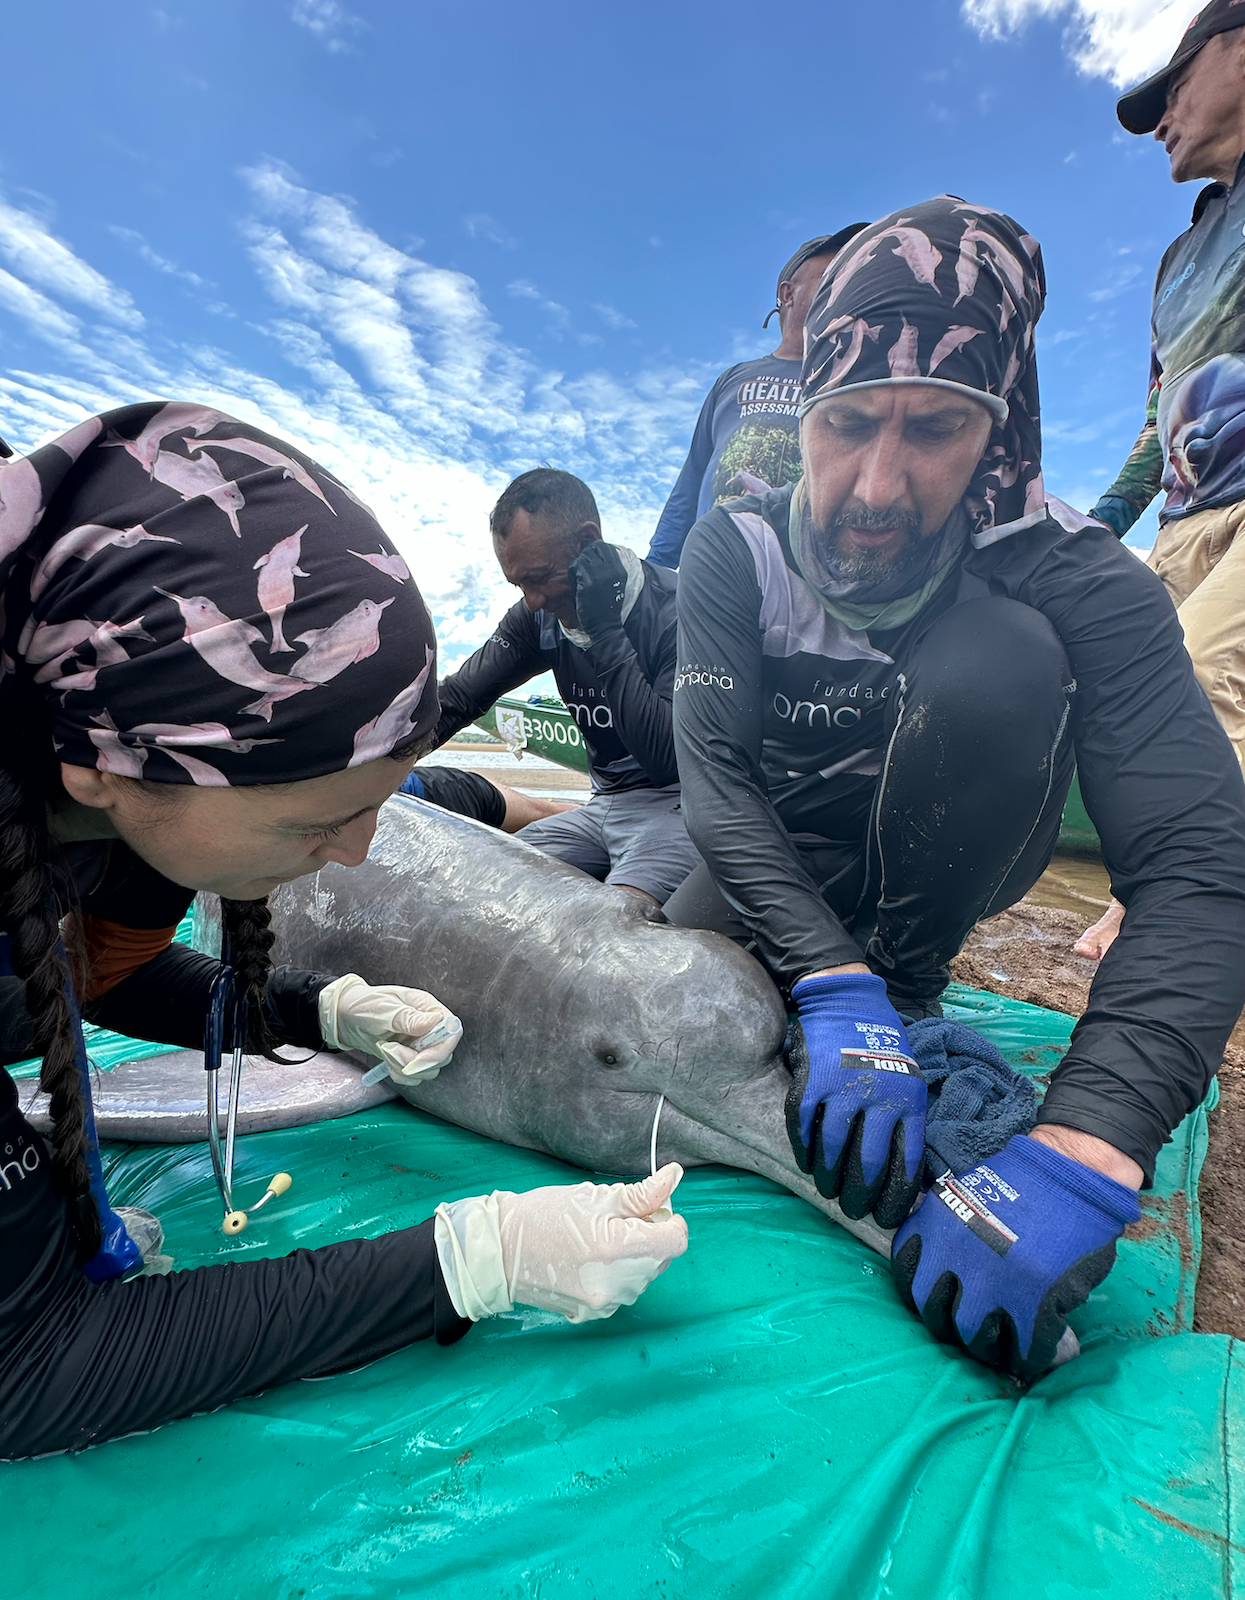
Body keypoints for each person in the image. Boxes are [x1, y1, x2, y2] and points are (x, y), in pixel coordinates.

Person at [0, 403, 688, 1458]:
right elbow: (29, 1370)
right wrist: (468, 1261)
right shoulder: (131, 770)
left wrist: (319, 1009)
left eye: (369, 806)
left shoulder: (122, 796)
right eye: (313, 822)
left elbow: (105, 977)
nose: (359, 853)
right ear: (104, 767)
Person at [666, 196, 1245, 1378]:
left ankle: (910, 986)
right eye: (847, 424)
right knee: (676, 994)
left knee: (1004, 654)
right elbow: (712, 775)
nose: (876, 486)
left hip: (942, 856)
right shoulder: (741, 547)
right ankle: (857, 988)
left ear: (1001, 428)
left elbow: (1200, 862)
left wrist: (1090, 1142)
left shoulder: (1081, 575)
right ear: (806, 410)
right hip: (774, 856)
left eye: (934, 428)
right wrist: (826, 978)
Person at [1075, 0, 1245, 961]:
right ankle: (1146, 890)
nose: (1161, 121)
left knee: (1201, 674)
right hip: (1184, 518)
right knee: (1138, 703)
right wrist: (1104, 520)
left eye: (1174, 88)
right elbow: (1158, 411)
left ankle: (1168, 917)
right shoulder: (1178, 260)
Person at [433, 468, 699, 910]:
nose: (533, 600)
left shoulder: (680, 608)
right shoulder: (537, 617)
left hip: (681, 804)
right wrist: (362, 765)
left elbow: (666, 759)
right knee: (478, 888)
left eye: (540, 576)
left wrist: (605, 631)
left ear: (588, 541)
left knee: (607, 922)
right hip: (603, 804)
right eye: (519, 584)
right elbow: (458, 699)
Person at [646, 225, 867, 570]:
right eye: (830, 277)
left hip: (808, 576)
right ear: (788, 294)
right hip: (714, 571)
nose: (842, 289)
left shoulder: (853, 380)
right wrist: (655, 570)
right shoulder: (733, 379)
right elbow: (691, 482)